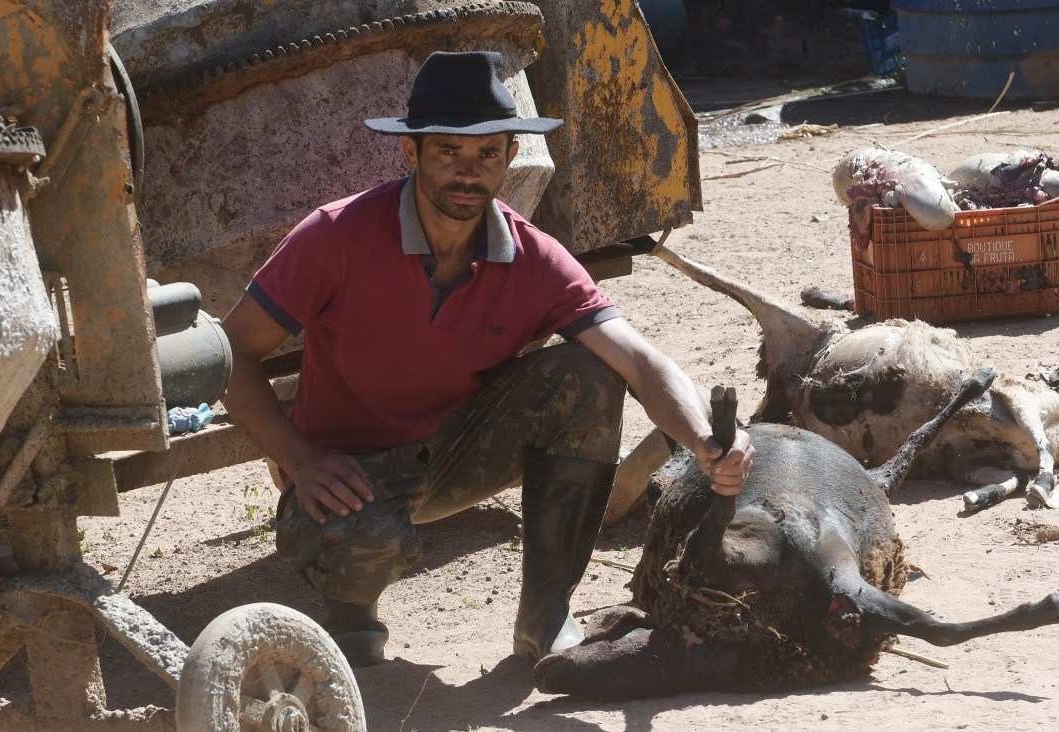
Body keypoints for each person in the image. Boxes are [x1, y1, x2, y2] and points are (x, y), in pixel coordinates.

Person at [221, 50, 754, 669]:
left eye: (489, 154)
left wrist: (707, 442)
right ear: (411, 153)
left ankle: (545, 616)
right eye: (448, 152)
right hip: (344, 473)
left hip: (455, 452)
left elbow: (638, 358)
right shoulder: (336, 235)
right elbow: (231, 350)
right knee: (353, 543)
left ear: (509, 158)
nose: (468, 173)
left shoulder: (533, 256)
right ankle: (350, 612)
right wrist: (299, 458)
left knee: (589, 376)